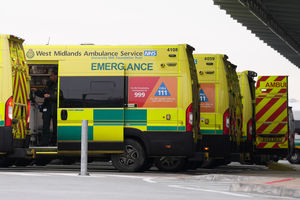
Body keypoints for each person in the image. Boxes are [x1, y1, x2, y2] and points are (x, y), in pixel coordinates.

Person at [32, 70, 58, 146]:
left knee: (56, 127)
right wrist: (37, 91)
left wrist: (51, 96)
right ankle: (44, 142)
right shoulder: (48, 84)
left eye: (52, 75)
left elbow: (61, 96)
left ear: (56, 76)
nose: (50, 77)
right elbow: (43, 94)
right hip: (47, 107)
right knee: (45, 126)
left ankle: (54, 142)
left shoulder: (60, 84)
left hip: (55, 108)